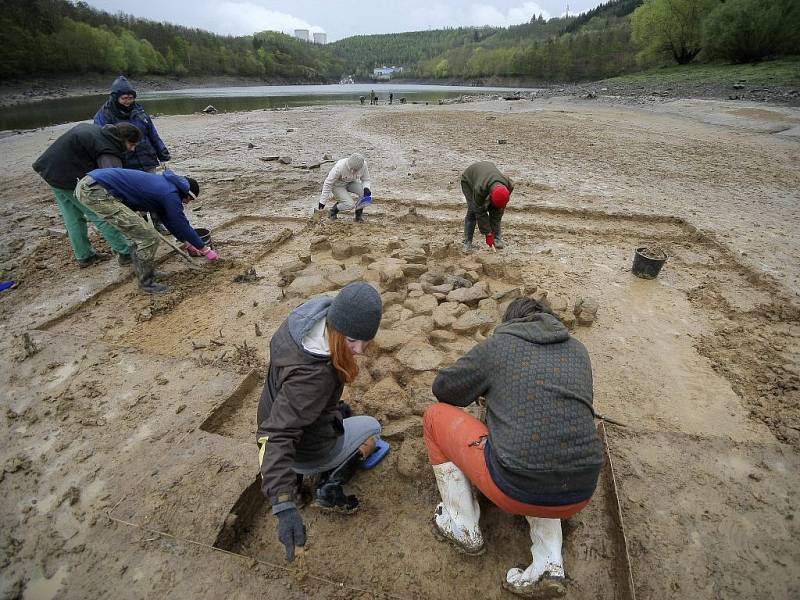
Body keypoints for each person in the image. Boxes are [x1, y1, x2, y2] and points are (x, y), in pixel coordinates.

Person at [423, 297, 604, 597]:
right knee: (545, 444)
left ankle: (462, 527)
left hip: (515, 488)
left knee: (433, 418)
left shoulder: (500, 346)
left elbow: (444, 388)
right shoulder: (578, 350)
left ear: (510, 323)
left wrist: (485, 389)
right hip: (580, 490)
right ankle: (550, 563)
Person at [257, 282, 384, 562]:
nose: (360, 350)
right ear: (338, 329)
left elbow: (286, 411)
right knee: (373, 427)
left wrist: (331, 407)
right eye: (352, 340)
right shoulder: (314, 378)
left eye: (366, 340)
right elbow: (276, 435)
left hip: (274, 413)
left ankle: (307, 468)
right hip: (302, 449)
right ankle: (329, 485)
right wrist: (282, 504)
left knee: (342, 410)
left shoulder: (304, 319)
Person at [74, 167, 218, 294]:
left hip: (95, 186)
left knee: (136, 235)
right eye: (188, 200)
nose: (186, 203)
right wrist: (205, 249)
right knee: (149, 237)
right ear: (187, 194)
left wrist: (186, 241)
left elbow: (170, 221)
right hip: (95, 191)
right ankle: (146, 282)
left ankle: (146, 273)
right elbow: (181, 223)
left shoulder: (166, 187)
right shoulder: (170, 194)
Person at [32, 122, 141, 268]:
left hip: (49, 171)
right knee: (100, 212)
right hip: (66, 177)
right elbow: (111, 182)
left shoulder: (100, 133)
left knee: (73, 217)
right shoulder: (108, 150)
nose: (133, 149)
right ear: (122, 139)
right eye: (132, 144)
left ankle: (84, 256)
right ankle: (125, 252)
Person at [93, 76, 170, 172]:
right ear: (115, 97)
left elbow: (153, 134)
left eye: (131, 98)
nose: (128, 102)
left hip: (148, 161)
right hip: (125, 165)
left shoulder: (139, 111)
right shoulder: (104, 115)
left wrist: (163, 155)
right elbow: (102, 143)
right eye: (124, 98)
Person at [460, 161, 513, 253]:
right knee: (472, 211)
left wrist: (497, 207)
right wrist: (488, 233)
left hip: (487, 178)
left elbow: (499, 209)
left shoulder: (509, 184)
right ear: (490, 196)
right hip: (469, 179)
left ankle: (497, 238)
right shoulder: (479, 189)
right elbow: (479, 212)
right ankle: (467, 242)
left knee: (496, 210)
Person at [318, 153, 372, 223]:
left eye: (356, 170)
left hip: (351, 182)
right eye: (351, 169)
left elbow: (366, 179)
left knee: (365, 195)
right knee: (349, 204)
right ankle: (333, 211)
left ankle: (358, 216)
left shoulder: (364, 165)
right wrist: (322, 202)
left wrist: (366, 188)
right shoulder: (339, 167)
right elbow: (328, 183)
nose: (353, 171)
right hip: (337, 185)